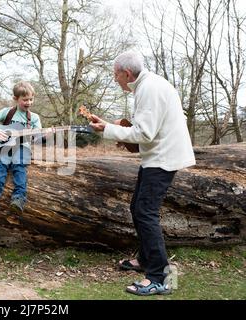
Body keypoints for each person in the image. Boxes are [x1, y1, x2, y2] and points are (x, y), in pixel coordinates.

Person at [89, 50, 195, 296]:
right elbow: (142, 130)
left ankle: (159, 277)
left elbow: (143, 134)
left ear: (127, 73)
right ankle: (146, 260)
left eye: (116, 75)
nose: (115, 80)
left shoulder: (149, 89)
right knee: (138, 207)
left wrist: (107, 130)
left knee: (145, 213)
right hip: (156, 157)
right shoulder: (146, 85)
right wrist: (110, 126)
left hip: (163, 159)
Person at [0, 81, 41, 214]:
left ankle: (18, 198)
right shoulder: (7, 112)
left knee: (19, 167)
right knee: (0, 166)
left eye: (31, 99)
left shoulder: (34, 118)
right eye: (25, 100)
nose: (29, 102)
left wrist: (44, 136)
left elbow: (37, 139)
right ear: (15, 99)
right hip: (5, 148)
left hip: (22, 149)